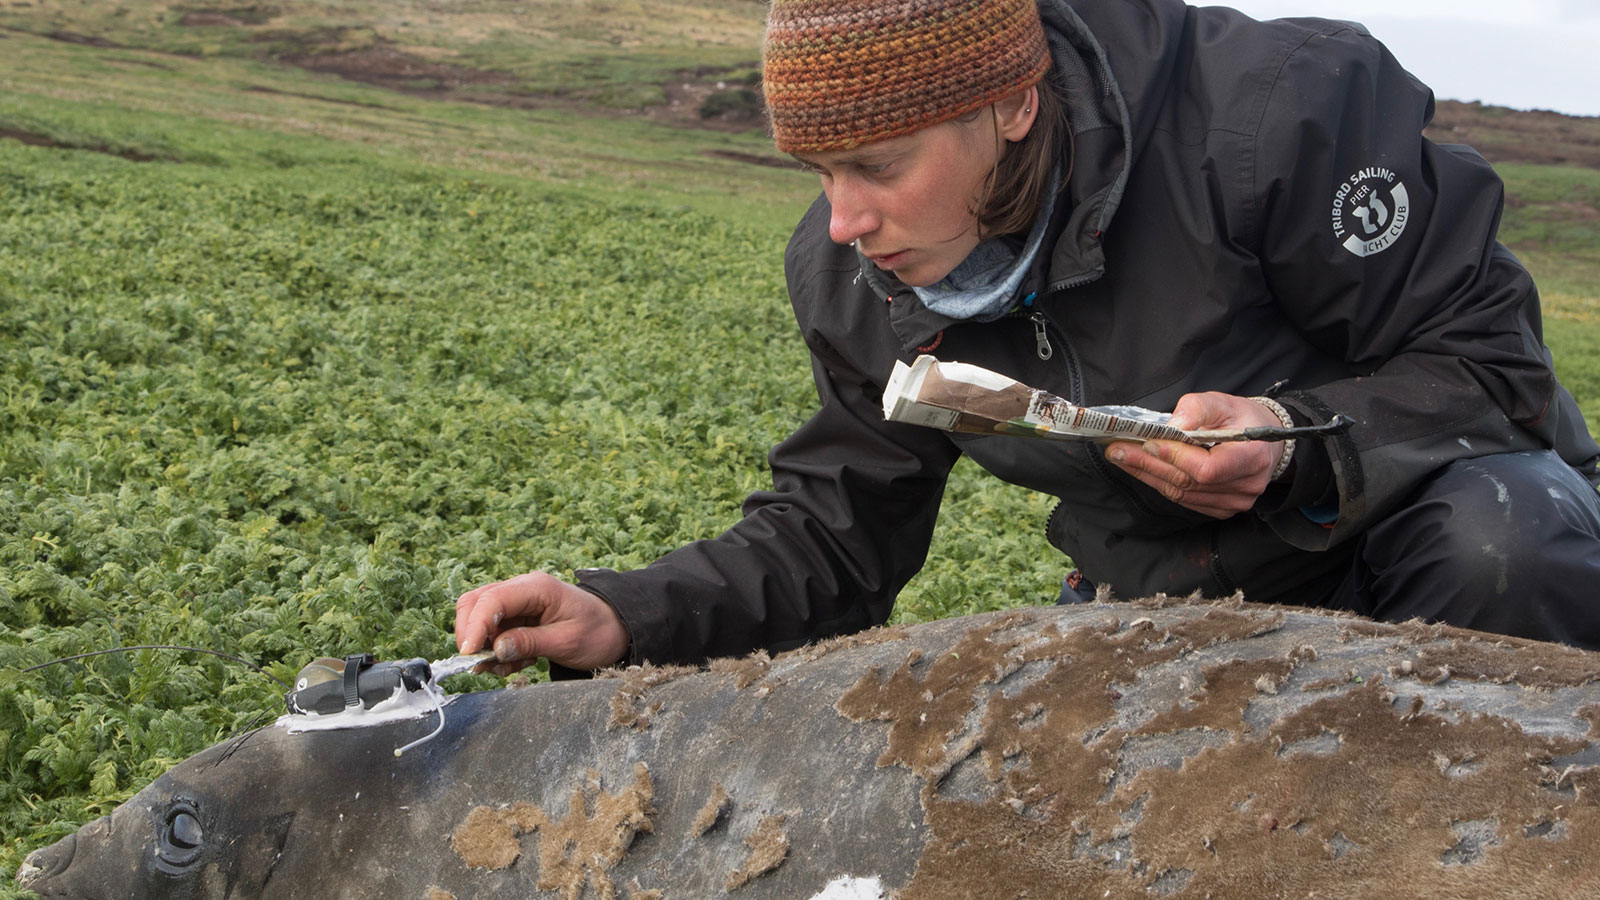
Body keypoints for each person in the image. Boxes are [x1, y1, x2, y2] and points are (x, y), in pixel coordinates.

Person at [456, 0, 1600, 676]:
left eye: (877, 165)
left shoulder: (1272, 118)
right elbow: (836, 534)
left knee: (1505, 546)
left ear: (1012, 103)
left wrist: (1298, 438)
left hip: (1437, 531)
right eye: (817, 172)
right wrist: (629, 614)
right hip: (1170, 587)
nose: (844, 220)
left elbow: (1491, 367)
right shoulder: (855, 273)